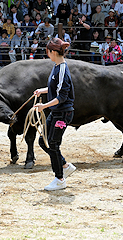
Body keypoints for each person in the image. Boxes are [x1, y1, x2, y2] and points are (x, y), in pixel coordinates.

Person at [33, 38, 76, 190]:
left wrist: (44, 106)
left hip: (63, 114)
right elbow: (55, 88)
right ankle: (64, 165)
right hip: (56, 112)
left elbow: (61, 97)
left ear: (53, 52)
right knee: (43, 141)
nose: (47, 55)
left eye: (48, 52)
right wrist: (43, 90)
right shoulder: (56, 66)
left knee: (52, 143)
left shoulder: (62, 69)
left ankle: (59, 179)